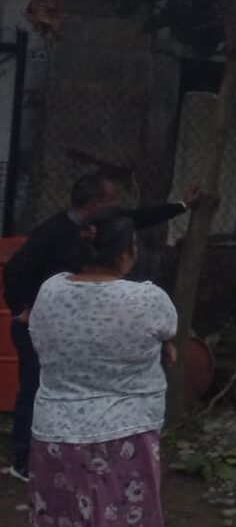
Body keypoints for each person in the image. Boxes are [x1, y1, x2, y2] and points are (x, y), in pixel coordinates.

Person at [3, 172, 198, 483]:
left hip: (67, 336)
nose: (119, 208)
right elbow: (14, 271)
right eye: (113, 201)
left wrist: (181, 206)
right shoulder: (54, 237)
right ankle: (26, 461)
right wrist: (24, 311)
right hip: (46, 326)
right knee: (35, 388)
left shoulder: (95, 238)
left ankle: (63, 463)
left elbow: (134, 218)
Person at [26, 208, 178, 526]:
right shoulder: (149, 300)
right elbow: (165, 333)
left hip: (56, 433)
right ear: (126, 253)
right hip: (128, 434)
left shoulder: (50, 292)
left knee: (60, 517)